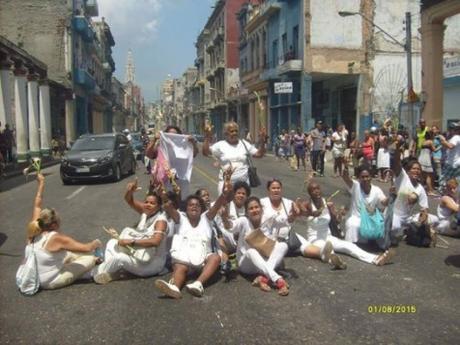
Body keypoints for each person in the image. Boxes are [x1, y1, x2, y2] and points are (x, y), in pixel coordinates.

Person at [153, 173, 233, 299]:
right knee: (180, 268)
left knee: (215, 258)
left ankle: (198, 284)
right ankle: (174, 288)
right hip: (183, 259)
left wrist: (225, 193)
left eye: (197, 205)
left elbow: (217, 204)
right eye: (191, 205)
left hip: (202, 260)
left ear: (201, 209)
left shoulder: (207, 218)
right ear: (186, 208)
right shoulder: (180, 218)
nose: (194, 206)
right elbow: (168, 206)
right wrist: (162, 194)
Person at [25, 174, 101, 289]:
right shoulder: (56, 238)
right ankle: (91, 270)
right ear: (54, 224)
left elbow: (37, 205)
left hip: (32, 276)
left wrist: (41, 183)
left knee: (68, 254)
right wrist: (96, 244)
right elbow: (86, 248)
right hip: (49, 281)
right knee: (89, 259)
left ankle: (80, 271)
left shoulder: (34, 229)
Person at [295, 181, 395, 268]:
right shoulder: (307, 204)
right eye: (313, 190)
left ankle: (376, 259)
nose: (316, 191)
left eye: (318, 188)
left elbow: (336, 220)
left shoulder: (327, 203)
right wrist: (312, 213)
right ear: (309, 193)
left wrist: (340, 214)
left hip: (328, 236)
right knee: (327, 250)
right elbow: (300, 212)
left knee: (349, 246)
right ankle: (336, 262)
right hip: (315, 239)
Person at [93, 178, 169, 284]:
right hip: (139, 254)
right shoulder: (145, 212)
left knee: (120, 258)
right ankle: (112, 270)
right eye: (146, 202)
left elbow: (156, 241)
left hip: (152, 263)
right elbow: (129, 200)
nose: (148, 205)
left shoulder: (161, 220)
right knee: (112, 242)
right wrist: (130, 191)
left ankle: (90, 273)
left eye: (152, 203)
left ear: (159, 206)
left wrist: (131, 241)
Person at [222, 196, 290, 296]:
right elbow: (230, 227)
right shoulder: (244, 221)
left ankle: (264, 278)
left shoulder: (267, 218)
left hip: (263, 262)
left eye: (256, 207)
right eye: (251, 208)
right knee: (251, 251)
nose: (254, 210)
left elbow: (284, 220)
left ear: (261, 208)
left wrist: (293, 215)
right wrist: (224, 218)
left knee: (283, 245)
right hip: (246, 264)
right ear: (246, 212)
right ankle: (278, 280)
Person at [390, 139, 435, 243]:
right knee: (395, 227)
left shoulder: (420, 188)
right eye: (414, 169)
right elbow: (396, 162)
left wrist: (422, 220)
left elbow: (425, 209)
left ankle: (408, 230)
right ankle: (401, 231)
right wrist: (397, 148)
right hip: (395, 214)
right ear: (408, 170)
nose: (416, 171)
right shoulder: (402, 177)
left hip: (409, 218)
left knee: (434, 219)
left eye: (418, 169)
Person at [202, 121, 266, 194]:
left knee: (242, 205)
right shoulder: (220, 145)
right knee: (225, 204)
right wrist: (207, 136)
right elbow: (205, 152)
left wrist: (262, 141)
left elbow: (259, 154)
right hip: (226, 185)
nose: (235, 133)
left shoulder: (244, 143)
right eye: (232, 131)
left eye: (236, 131)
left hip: (243, 185)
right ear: (226, 133)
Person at [146, 125, 199, 198]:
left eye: (175, 135)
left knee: (181, 202)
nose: (172, 136)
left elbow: (194, 154)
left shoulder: (183, 145)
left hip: (181, 181)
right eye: (170, 135)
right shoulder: (161, 145)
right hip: (165, 180)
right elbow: (149, 154)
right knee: (166, 203)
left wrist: (193, 143)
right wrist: (154, 139)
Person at [341, 164, 389, 243]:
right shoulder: (355, 186)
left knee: (381, 226)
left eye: (367, 176)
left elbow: (384, 202)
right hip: (356, 218)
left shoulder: (377, 190)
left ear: (371, 177)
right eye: (362, 177)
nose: (365, 179)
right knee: (352, 224)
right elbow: (345, 177)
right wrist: (345, 166)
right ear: (359, 178)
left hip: (371, 219)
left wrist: (391, 196)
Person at [437, 122, 460, 188]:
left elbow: (450, 146)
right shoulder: (457, 138)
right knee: (455, 181)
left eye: (451, 129)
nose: (449, 131)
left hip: (452, 163)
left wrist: (442, 140)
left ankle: (444, 194)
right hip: (457, 163)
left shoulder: (456, 137)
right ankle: (454, 195)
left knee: (443, 180)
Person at [418, 131, 438, 196]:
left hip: (421, 158)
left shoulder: (423, 141)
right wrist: (441, 146)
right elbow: (434, 150)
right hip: (426, 160)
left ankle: (422, 190)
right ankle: (429, 191)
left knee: (422, 176)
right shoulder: (430, 142)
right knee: (428, 176)